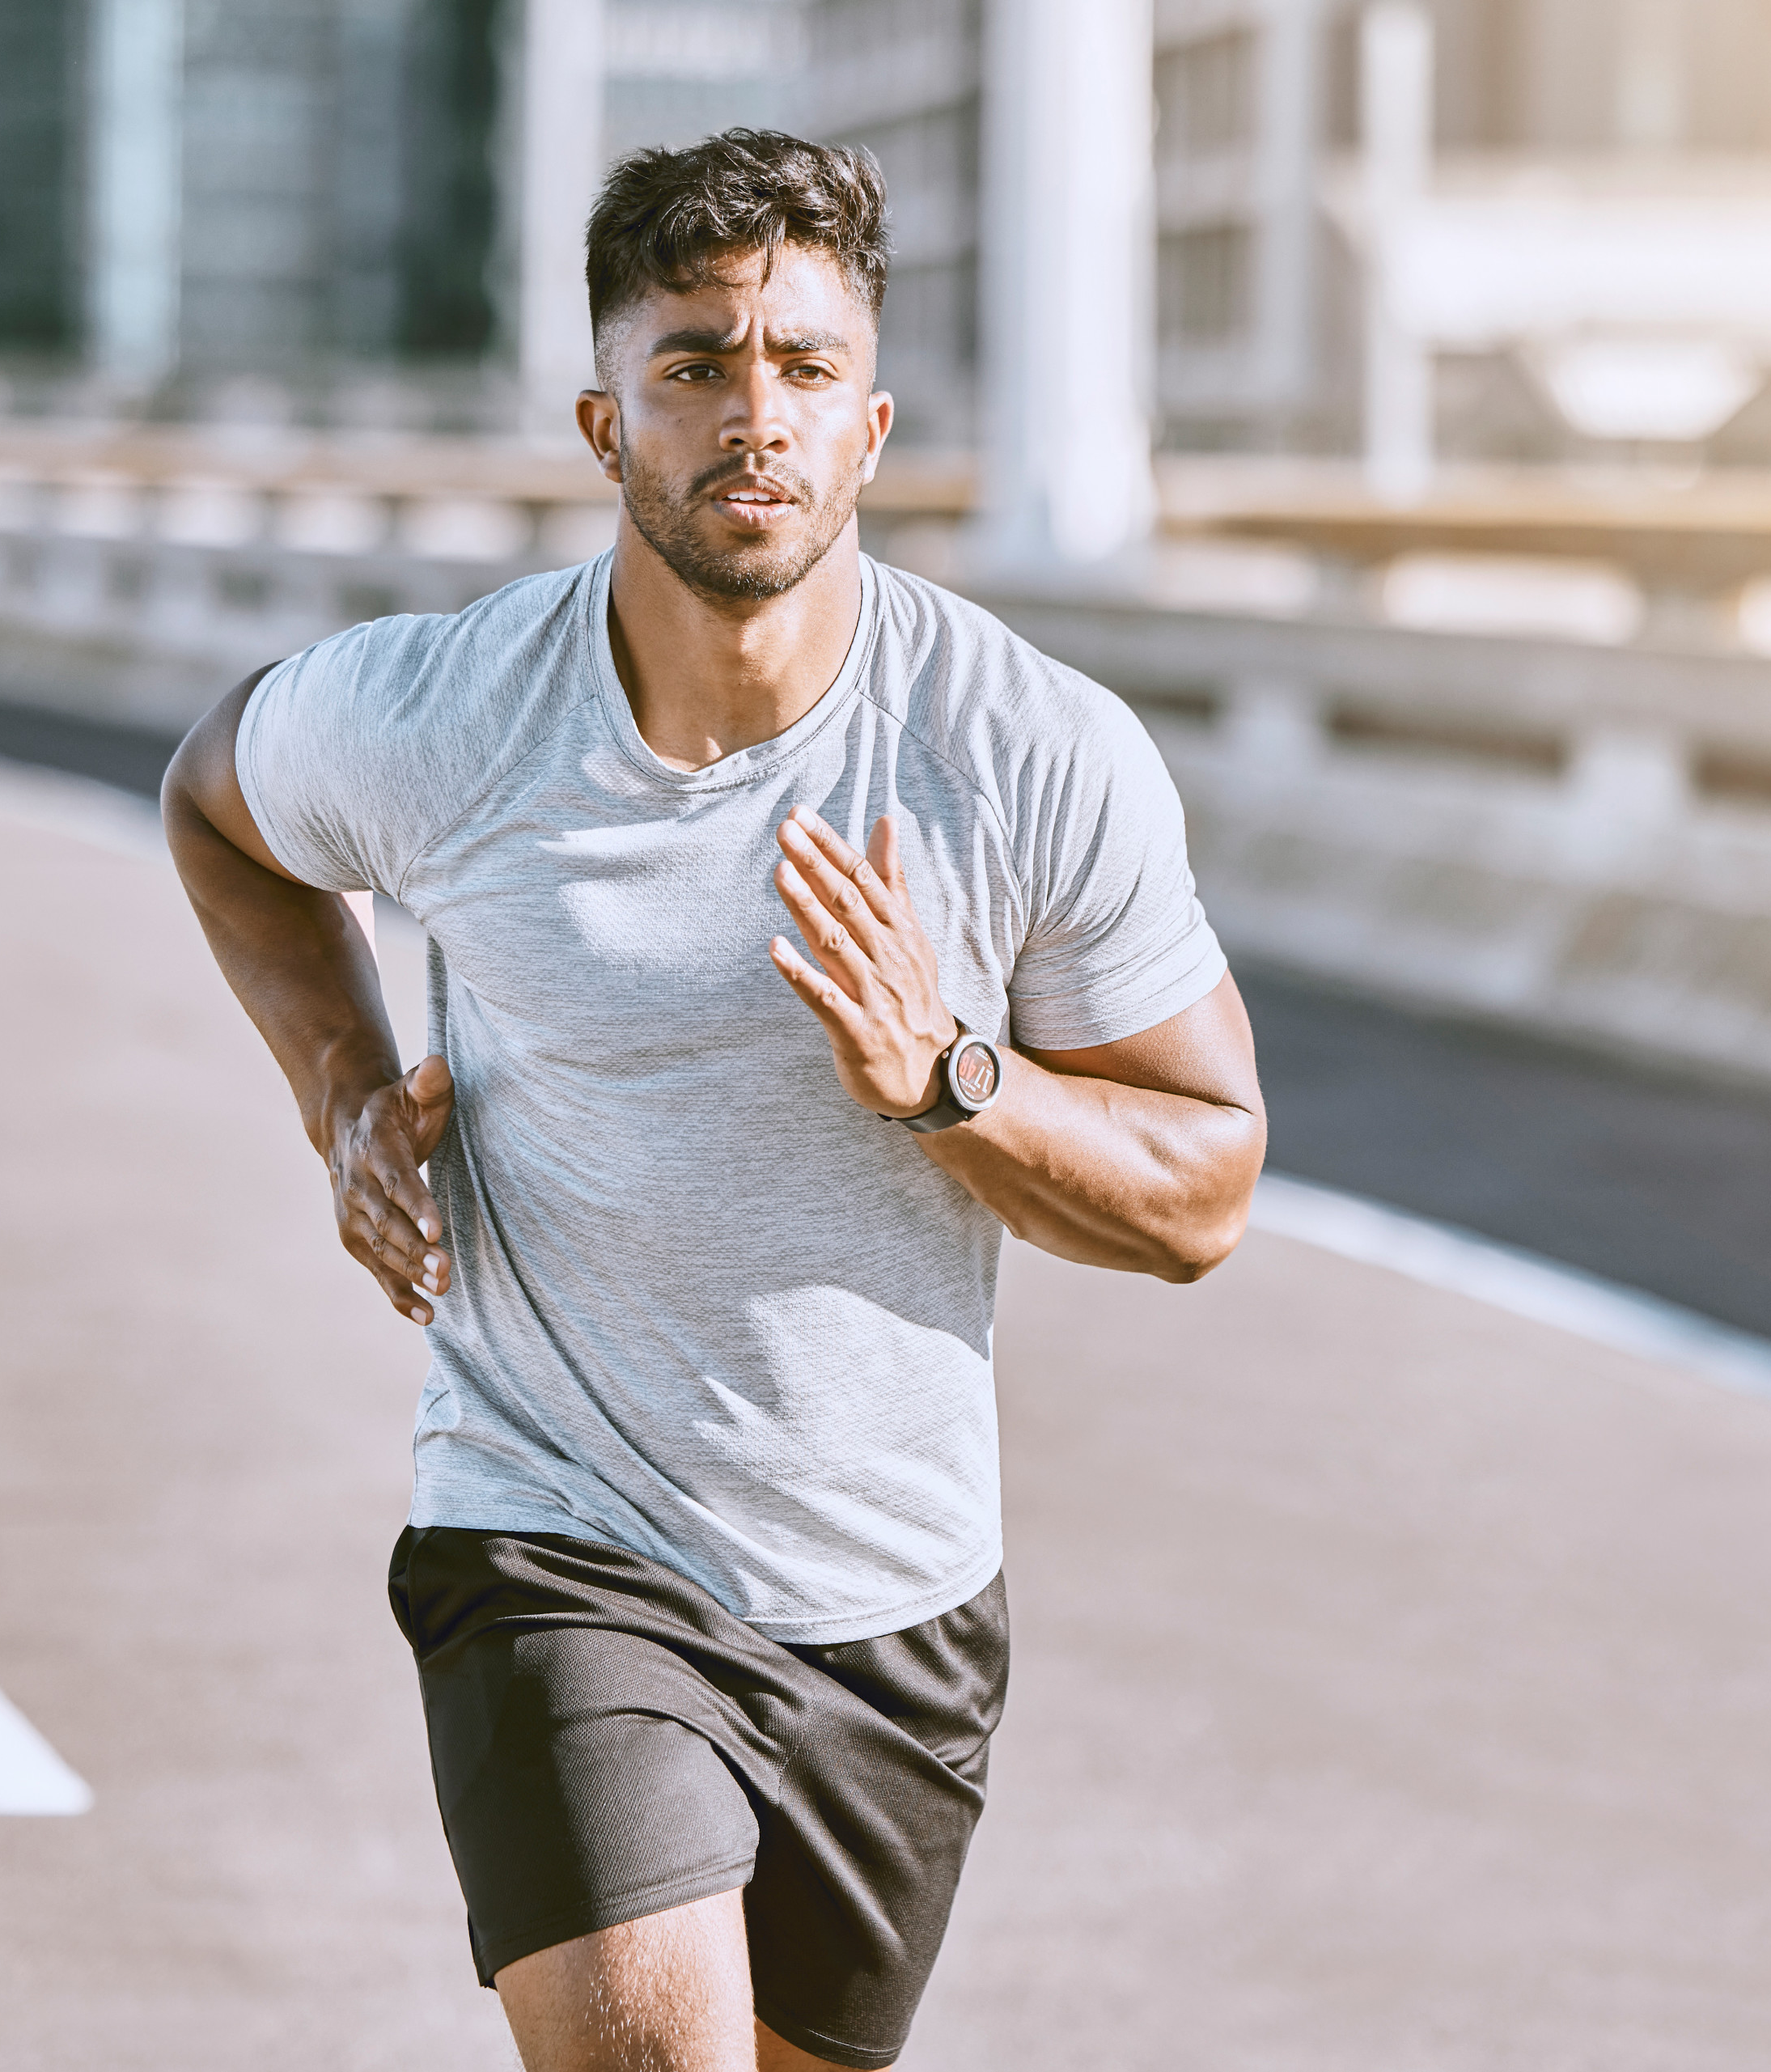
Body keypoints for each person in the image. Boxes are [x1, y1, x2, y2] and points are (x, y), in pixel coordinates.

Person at [160, 129, 1265, 2072]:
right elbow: (218, 804)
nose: (751, 418)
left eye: (802, 370)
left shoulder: (1027, 754)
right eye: (694, 367)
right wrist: (343, 1088)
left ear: (872, 422)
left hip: (893, 1595)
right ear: (607, 422)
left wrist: (952, 1081)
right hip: (552, 1523)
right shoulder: (447, 717)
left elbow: (1202, 1188)